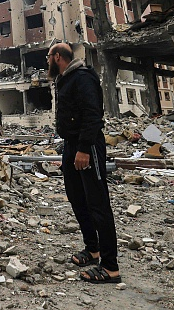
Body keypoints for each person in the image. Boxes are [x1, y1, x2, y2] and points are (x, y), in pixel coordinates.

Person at [47, 42, 120, 283]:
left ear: (57, 57)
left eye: (49, 57)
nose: (47, 61)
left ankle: (110, 267)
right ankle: (93, 249)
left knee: (97, 203)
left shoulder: (83, 77)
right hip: (72, 146)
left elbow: (92, 115)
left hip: (86, 147)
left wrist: (84, 149)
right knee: (77, 197)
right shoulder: (65, 78)